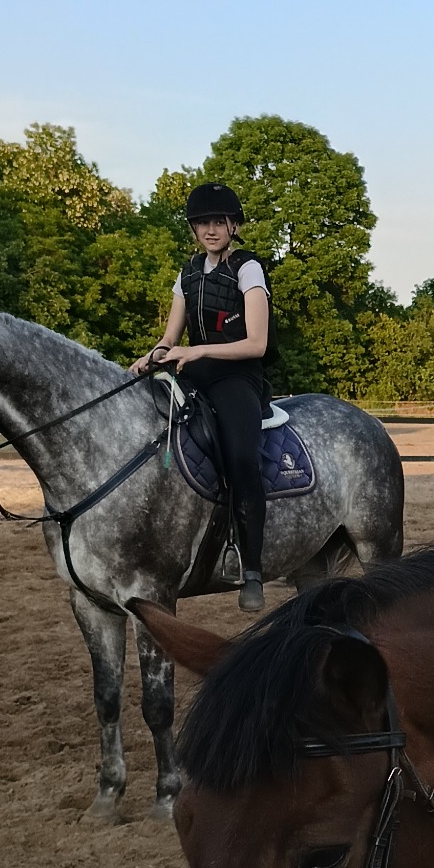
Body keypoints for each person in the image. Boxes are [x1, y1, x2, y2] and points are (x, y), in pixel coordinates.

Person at [131, 181, 272, 614]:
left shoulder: (248, 269)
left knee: (242, 458)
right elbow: (170, 337)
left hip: (237, 378)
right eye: (202, 223)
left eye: (218, 222)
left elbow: (257, 344)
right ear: (193, 228)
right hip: (192, 375)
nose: (210, 230)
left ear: (233, 225)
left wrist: (196, 351)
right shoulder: (188, 274)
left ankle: (251, 568)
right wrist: (147, 359)